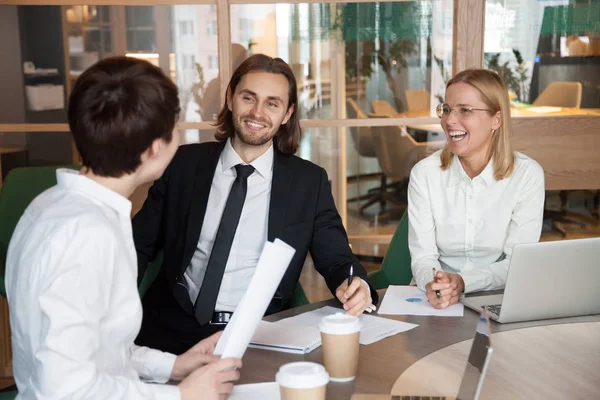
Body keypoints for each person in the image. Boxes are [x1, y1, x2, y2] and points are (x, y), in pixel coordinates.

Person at [5, 57, 241, 400]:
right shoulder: (87, 236)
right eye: (174, 128)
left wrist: (173, 367)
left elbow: (101, 348)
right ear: (155, 148)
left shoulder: (50, 204)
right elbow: (66, 388)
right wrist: (182, 395)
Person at [132, 54, 378, 355]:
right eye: (249, 98)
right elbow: (137, 246)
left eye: (272, 103)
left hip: (261, 335)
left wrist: (356, 286)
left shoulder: (308, 182)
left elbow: (338, 260)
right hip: (173, 329)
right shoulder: (183, 164)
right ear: (231, 99)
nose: (257, 113)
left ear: (287, 114)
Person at [407, 68, 545, 309]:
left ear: (496, 120)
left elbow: (517, 262)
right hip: (436, 297)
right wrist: (437, 284)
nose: (449, 120)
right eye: (447, 109)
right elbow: (423, 257)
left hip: (498, 296)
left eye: (465, 110)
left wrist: (462, 282)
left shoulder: (527, 175)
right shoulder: (424, 174)